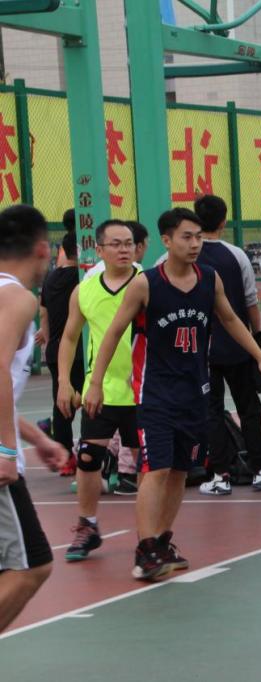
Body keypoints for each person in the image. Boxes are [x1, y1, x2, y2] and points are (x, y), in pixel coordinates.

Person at [83, 208, 261, 581]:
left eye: (199, 236)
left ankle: (162, 540)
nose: (195, 244)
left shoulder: (209, 279)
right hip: (155, 393)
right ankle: (145, 549)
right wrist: (95, 383)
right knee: (155, 469)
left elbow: (230, 319)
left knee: (179, 470)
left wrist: (260, 357)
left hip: (196, 392)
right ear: (167, 240)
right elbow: (113, 333)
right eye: (187, 237)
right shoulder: (146, 285)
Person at [0, 205, 69, 632]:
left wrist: (37, 439)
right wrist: (7, 450)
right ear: (43, 249)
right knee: (31, 567)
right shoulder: (17, 297)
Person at [56, 220, 141, 561]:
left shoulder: (148, 284)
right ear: (99, 249)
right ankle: (87, 526)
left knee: (151, 464)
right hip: (100, 390)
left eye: (129, 243)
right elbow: (69, 337)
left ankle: (152, 533)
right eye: (116, 244)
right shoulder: (85, 290)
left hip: (144, 389)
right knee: (89, 457)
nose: (124, 249)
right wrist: (65, 382)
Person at [189, 195, 261, 496]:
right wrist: (257, 338)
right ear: (224, 221)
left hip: (201, 351)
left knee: (212, 411)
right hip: (238, 346)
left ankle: (220, 474)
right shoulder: (236, 255)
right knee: (249, 407)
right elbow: (251, 301)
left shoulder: (179, 258)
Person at [38, 231, 85, 467]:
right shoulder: (84, 278)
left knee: (62, 403)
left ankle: (65, 456)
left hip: (55, 349)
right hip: (79, 348)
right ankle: (86, 453)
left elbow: (43, 314)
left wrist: (48, 343)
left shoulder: (50, 278)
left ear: (63, 250)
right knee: (86, 401)